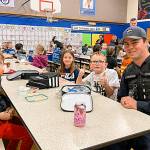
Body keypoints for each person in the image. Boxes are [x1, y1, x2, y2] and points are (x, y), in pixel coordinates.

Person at [117, 26, 150, 150]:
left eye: (135, 42)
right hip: (132, 123)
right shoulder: (128, 70)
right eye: (126, 44)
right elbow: (121, 96)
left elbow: (135, 105)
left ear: (146, 42)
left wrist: (137, 105)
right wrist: (123, 100)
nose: (130, 47)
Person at [0, 52, 33, 150]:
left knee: (24, 125)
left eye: (1, 63)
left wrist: (9, 108)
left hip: (3, 114)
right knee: (29, 135)